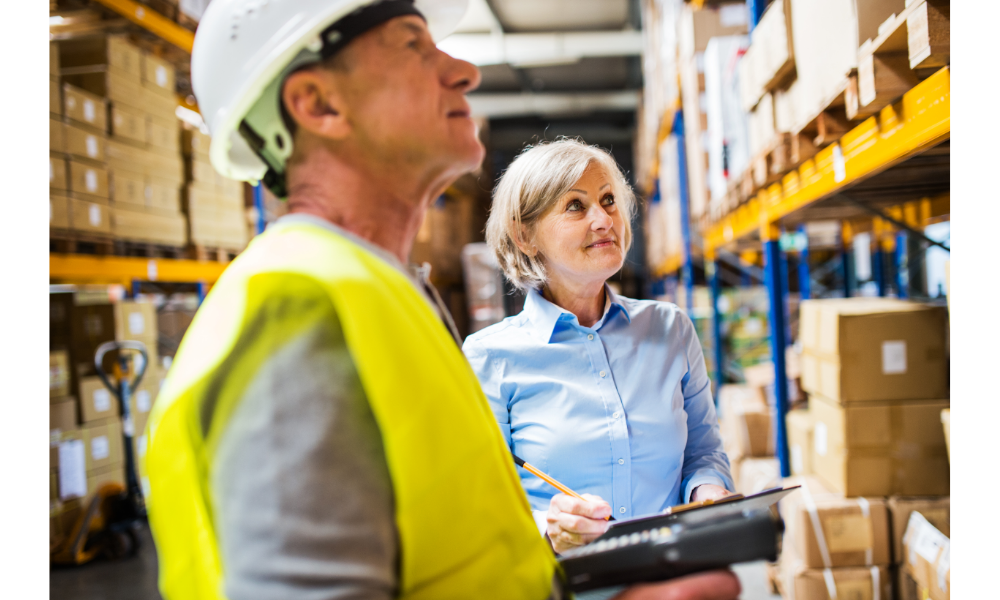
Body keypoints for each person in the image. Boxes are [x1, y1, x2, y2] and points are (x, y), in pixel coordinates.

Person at [143, 1, 741, 599]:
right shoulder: (296, 304)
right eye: (413, 47)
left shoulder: (387, 295)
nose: (464, 71)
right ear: (320, 104)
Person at [463, 139, 735, 555]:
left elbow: (703, 452)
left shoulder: (670, 329)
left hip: (669, 576)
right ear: (524, 234)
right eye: (576, 206)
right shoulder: (490, 357)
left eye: (609, 201)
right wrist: (548, 529)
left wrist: (708, 493)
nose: (604, 219)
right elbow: (478, 501)